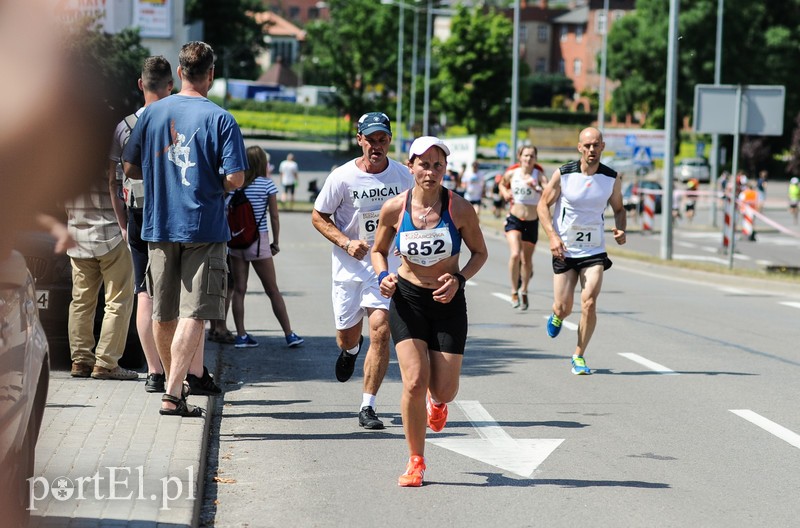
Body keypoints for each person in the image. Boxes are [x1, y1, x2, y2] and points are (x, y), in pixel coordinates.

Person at [123, 41, 247, 417]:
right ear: (211, 74)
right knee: (195, 312)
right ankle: (174, 394)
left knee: (163, 311)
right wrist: (213, 181)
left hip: (158, 225)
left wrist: (162, 177)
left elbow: (129, 168)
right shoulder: (221, 118)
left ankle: (170, 386)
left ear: (179, 73)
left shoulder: (152, 113)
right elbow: (236, 178)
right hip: (204, 228)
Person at [371, 135, 488, 487]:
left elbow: (479, 253)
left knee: (445, 389)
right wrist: (383, 277)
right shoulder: (395, 208)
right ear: (411, 166)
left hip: (447, 302)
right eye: (424, 164)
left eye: (438, 165)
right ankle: (416, 461)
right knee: (414, 381)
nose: (431, 171)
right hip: (407, 300)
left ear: (445, 170)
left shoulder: (460, 209)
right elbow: (378, 250)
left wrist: (459, 278)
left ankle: (439, 405)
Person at [311, 112, 414, 430]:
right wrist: (345, 242)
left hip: (384, 269)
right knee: (347, 335)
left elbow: (417, 213)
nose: (377, 146)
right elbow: (318, 216)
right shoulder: (341, 177)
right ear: (360, 140)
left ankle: (367, 405)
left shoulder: (402, 176)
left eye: (382, 140)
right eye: (370, 140)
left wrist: (406, 240)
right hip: (348, 269)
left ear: (389, 141)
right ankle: (350, 350)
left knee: (381, 330)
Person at [537, 127, 626, 376]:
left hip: (594, 249)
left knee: (588, 302)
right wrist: (553, 237)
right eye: (587, 146)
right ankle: (557, 315)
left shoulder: (611, 178)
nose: (591, 150)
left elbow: (619, 209)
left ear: (602, 147)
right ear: (579, 148)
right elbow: (543, 205)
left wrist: (621, 229)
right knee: (563, 306)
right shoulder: (564, 174)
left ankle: (578, 355)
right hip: (564, 248)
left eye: (596, 145)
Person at [108, 56, 173, 392]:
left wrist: (121, 223)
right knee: (172, 293)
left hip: (136, 212)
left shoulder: (125, 125)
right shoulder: (176, 120)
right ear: (170, 85)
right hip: (170, 214)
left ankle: (153, 371)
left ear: (140, 84)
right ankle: (177, 371)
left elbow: (113, 180)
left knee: (143, 293)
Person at [65, 155, 137, 381]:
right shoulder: (113, 156)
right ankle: (106, 364)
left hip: (78, 235)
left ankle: (80, 361)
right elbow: (125, 189)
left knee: (81, 302)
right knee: (117, 301)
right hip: (111, 236)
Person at [230, 146, 304, 348]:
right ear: (262, 163)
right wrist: (276, 241)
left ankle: (241, 335)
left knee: (239, 290)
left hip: (236, 242)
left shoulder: (235, 185)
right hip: (258, 242)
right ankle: (289, 334)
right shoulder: (267, 185)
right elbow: (274, 216)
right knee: (272, 290)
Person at [499, 145, 547, 311]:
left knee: (526, 261)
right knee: (515, 255)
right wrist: (505, 193)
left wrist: (536, 187)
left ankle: (524, 290)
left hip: (532, 222)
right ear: (520, 157)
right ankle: (513, 291)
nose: (528, 159)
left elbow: (548, 193)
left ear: (535, 158)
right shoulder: (513, 173)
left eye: (532, 156)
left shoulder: (539, 175)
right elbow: (502, 184)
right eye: (525, 155)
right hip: (514, 219)